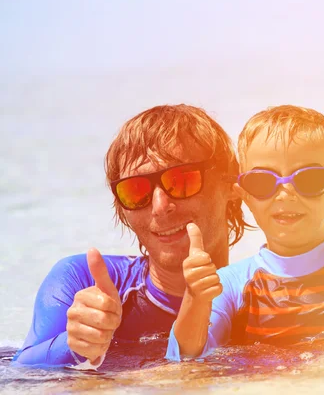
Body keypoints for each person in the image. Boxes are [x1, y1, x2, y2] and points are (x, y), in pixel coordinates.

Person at [166, 105, 324, 361]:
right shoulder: (230, 284)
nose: (285, 193)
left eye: (309, 180)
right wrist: (195, 298)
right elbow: (188, 358)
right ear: (244, 197)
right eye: (263, 181)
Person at [12, 104, 251, 369]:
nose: (160, 207)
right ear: (122, 210)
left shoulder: (265, 298)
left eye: (181, 180)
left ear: (231, 185)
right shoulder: (83, 281)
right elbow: (19, 369)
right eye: (136, 191)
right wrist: (74, 344)